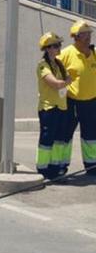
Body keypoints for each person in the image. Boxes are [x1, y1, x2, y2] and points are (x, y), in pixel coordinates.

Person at [37, 32, 74, 180]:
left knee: (59, 139)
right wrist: (67, 82)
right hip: (49, 108)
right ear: (47, 49)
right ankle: (42, 168)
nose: (59, 48)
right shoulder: (42, 65)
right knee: (47, 139)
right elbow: (54, 83)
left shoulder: (58, 64)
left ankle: (55, 167)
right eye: (55, 45)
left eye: (59, 45)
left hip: (61, 106)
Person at [64, 20, 96, 177]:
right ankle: (61, 167)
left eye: (89, 34)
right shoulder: (66, 54)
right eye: (84, 34)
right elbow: (51, 69)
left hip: (92, 102)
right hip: (72, 102)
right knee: (66, 134)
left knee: (91, 135)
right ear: (76, 37)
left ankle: (92, 166)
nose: (88, 37)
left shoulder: (94, 52)